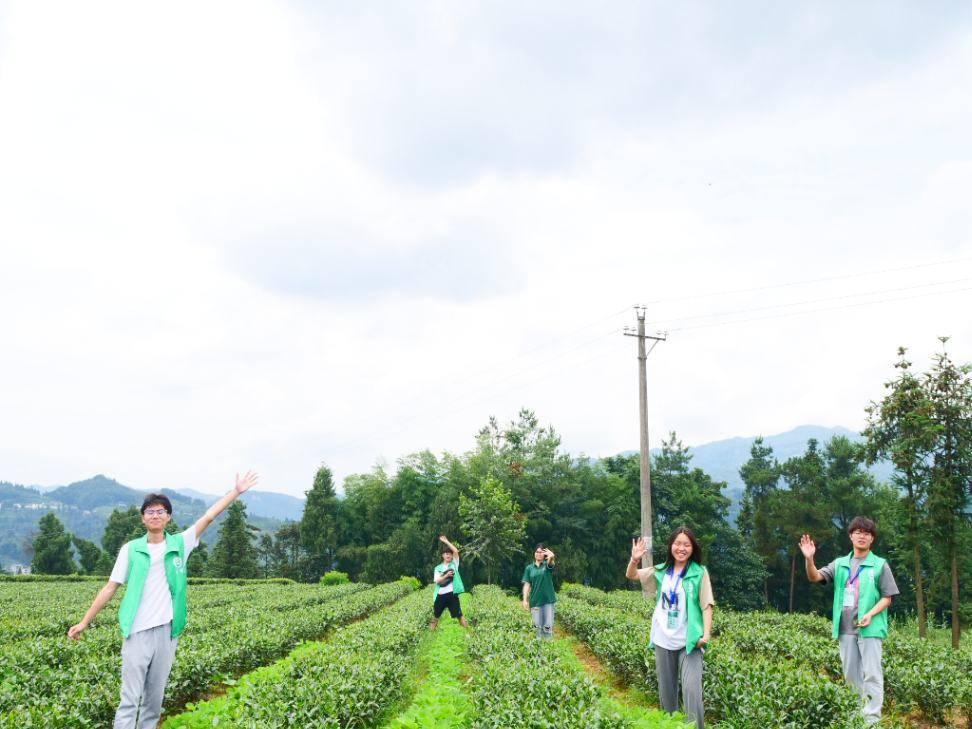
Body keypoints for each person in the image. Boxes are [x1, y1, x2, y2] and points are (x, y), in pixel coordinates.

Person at [68, 471, 258, 729]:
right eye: (150, 511)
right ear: (143, 518)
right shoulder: (131, 549)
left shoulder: (181, 543)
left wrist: (236, 491)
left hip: (168, 632)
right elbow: (110, 587)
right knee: (129, 698)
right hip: (136, 630)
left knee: (154, 700)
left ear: (168, 517)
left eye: (161, 511)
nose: (155, 515)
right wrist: (84, 622)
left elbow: (209, 517)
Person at [800, 516, 898, 726]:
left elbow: (887, 597)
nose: (862, 536)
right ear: (851, 536)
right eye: (858, 532)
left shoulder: (879, 565)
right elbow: (815, 577)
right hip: (845, 629)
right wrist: (809, 559)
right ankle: (855, 717)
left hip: (870, 629)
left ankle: (871, 721)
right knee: (851, 675)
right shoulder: (840, 564)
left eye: (867, 533)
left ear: (872, 539)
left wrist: (871, 613)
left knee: (872, 674)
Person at [627, 528, 713, 729]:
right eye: (677, 543)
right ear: (670, 546)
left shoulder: (699, 573)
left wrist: (706, 635)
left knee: (692, 693)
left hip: (689, 641)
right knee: (667, 697)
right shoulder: (660, 571)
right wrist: (634, 559)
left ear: (693, 548)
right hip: (663, 639)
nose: (681, 548)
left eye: (686, 545)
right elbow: (631, 575)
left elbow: (707, 605)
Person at [431, 534, 469, 629]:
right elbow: (437, 581)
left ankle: (468, 631)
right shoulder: (438, 568)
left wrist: (446, 541)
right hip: (440, 595)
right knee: (435, 617)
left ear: (452, 556)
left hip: (452, 594)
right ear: (443, 556)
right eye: (446, 554)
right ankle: (431, 633)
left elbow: (456, 551)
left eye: (450, 554)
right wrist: (446, 575)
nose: (448, 555)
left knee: (459, 615)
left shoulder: (454, 564)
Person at [521, 543, 556, 639]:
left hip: (548, 601)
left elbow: (551, 563)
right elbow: (527, 584)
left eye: (541, 552)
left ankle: (548, 651)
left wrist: (551, 557)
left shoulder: (546, 565)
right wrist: (525, 600)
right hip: (535, 602)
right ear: (534, 553)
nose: (539, 554)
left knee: (547, 628)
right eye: (537, 552)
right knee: (536, 629)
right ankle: (538, 652)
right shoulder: (529, 568)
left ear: (544, 554)